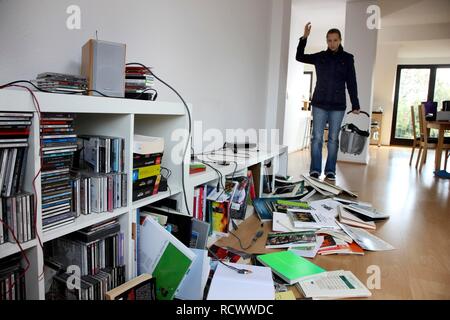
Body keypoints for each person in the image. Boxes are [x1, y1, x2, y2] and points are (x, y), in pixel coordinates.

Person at [296, 22, 360, 181]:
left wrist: (355, 103)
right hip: (319, 103)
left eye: (335, 40)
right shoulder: (320, 57)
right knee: (316, 137)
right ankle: (315, 170)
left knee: (333, 139)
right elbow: (299, 56)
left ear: (340, 40)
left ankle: (330, 170)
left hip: (338, 105)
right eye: (329, 40)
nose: (332, 43)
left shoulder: (347, 58)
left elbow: (351, 82)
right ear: (327, 41)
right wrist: (304, 38)